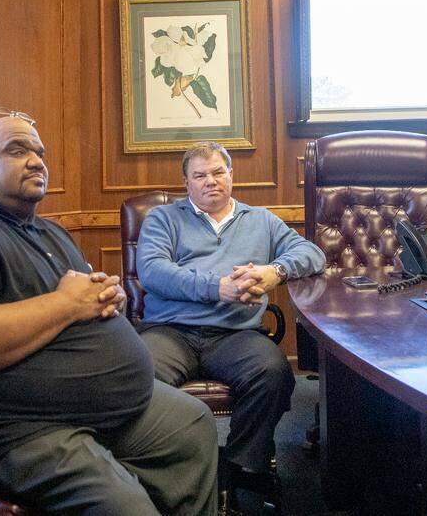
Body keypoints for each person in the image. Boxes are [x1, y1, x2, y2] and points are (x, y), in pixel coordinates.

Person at [0, 108, 218, 515]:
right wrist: (67, 303)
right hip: (2, 428)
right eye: (17, 150)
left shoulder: (50, 232)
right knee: (125, 506)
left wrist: (106, 299)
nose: (36, 161)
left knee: (192, 424)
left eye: (39, 153)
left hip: (91, 406)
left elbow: (82, 301)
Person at [135, 141, 326, 498]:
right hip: (171, 331)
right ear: (186, 183)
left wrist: (275, 271)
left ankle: (243, 466)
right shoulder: (164, 219)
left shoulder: (261, 220)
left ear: (231, 175)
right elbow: (153, 271)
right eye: (200, 176)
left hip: (235, 334)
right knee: (138, 375)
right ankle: (173, 464)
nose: (211, 181)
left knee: (273, 374)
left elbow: (312, 253)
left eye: (218, 172)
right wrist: (217, 287)